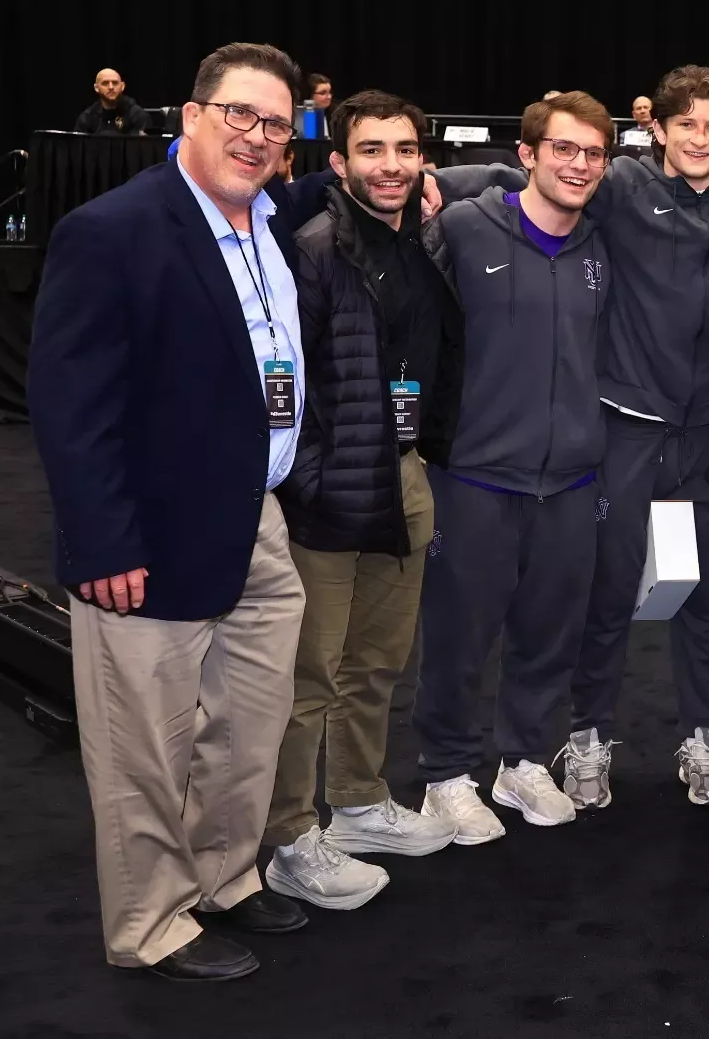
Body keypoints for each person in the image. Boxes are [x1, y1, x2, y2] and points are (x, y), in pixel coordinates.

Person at [431, 66, 709, 811]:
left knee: (705, 594)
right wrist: (435, 182)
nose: (699, 138)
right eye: (684, 124)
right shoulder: (620, 184)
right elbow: (522, 170)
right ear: (656, 129)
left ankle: (705, 736)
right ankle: (590, 734)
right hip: (627, 426)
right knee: (605, 589)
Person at [29, 41, 313, 981]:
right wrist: (103, 538)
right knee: (143, 746)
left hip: (255, 520)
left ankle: (226, 877)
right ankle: (151, 924)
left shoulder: (268, 223)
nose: (256, 135)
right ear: (188, 117)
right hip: (145, 535)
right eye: (238, 113)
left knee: (248, 724)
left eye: (274, 123)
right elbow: (71, 406)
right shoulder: (113, 230)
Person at [262, 89, 462, 911]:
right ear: (338, 163)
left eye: (406, 149)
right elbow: (283, 382)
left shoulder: (428, 239)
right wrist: (304, 475)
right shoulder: (309, 248)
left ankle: (356, 801)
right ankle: (286, 836)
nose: (392, 165)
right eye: (372, 150)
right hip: (325, 491)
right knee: (310, 674)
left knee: (379, 660)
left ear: (424, 159)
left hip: (404, 476)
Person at [409, 91, 614, 840]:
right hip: (475, 473)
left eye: (593, 153)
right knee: (460, 632)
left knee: (548, 631)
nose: (579, 165)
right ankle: (446, 771)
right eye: (564, 148)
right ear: (527, 154)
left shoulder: (600, 246)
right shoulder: (465, 228)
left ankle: (523, 759)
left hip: (570, 479)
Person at [74, 67, 148, 135]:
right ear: (96, 88)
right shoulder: (87, 118)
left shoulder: (137, 115)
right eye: (105, 83)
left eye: (115, 83)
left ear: (122, 86)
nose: (111, 87)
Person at [308, 73, 335, 137]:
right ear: (310, 95)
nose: (329, 97)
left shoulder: (335, 115)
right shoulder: (304, 116)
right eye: (323, 93)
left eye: (330, 92)